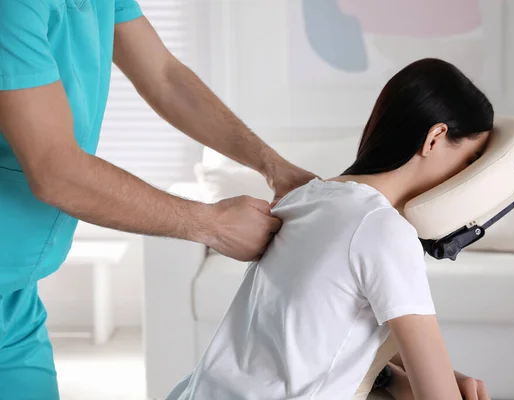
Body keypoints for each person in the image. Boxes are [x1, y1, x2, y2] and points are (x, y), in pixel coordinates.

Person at [0, 1, 314, 398]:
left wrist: (273, 166)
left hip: (15, 299)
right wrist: (211, 224)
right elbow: (55, 169)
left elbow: (164, 77)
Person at [165, 58, 494, 400]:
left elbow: (323, 332)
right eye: (469, 161)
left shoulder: (306, 198)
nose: (465, 177)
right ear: (435, 138)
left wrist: (399, 379)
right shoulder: (384, 230)